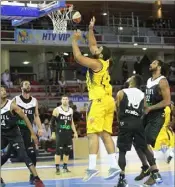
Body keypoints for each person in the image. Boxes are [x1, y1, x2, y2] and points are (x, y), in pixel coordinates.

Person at [72, 16, 120, 182]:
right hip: (108, 101)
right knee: (106, 134)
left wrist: (74, 40)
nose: (95, 48)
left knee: (92, 134)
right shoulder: (104, 62)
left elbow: (78, 58)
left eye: (98, 48)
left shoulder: (96, 64)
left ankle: (92, 168)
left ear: (101, 54)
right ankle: (114, 165)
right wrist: (91, 28)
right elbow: (92, 44)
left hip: (98, 101)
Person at [116, 75, 158, 187]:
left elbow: (117, 109)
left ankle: (122, 180)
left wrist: (120, 122)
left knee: (122, 151)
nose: (128, 78)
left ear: (132, 81)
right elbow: (145, 109)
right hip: (138, 123)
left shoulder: (121, 92)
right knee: (144, 148)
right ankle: (155, 173)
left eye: (130, 77)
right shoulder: (142, 94)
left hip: (125, 123)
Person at [134, 60, 171, 185]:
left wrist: (151, 108)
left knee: (144, 142)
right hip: (147, 114)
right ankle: (146, 168)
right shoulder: (150, 80)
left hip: (157, 116)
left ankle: (155, 173)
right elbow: (147, 97)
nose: (150, 64)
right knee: (136, 140)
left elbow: (167, 101)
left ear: (159, 66)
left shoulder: (163, 81)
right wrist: (144, 107)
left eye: (153, 63)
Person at [0, 87, 44, 187]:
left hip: (14, 134)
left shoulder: (11, 105)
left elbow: (25, 117)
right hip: (2, 134)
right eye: (1, 90)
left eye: (4, 90)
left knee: (24, 156)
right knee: (5, 156)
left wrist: (32, 133)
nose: (4, 92)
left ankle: (37, 179)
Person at [12, 81, 44, 185]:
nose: (28, 85)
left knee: (32, 154)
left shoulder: (34, 100)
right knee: (8, 154)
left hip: (29, 131)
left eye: (29, 84)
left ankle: (32, 176)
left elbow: (36, 116)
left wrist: (40, 128)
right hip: (16, 131)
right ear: (21, 87)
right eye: (26, 84)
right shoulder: (16, 100)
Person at [50, 95, 78, 175]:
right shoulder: (57, 110)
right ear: (61, 100)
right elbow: (52, 123)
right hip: (60, 133)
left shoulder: (71, 110)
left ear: (68, 100)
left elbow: (71, 122)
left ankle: (65, 167)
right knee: (58, 151)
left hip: (68, 133)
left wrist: (75, 132)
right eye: (63, 99)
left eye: (66, 99)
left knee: (67, 151)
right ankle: (57, 168)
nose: (65, 100)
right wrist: (53, 133)